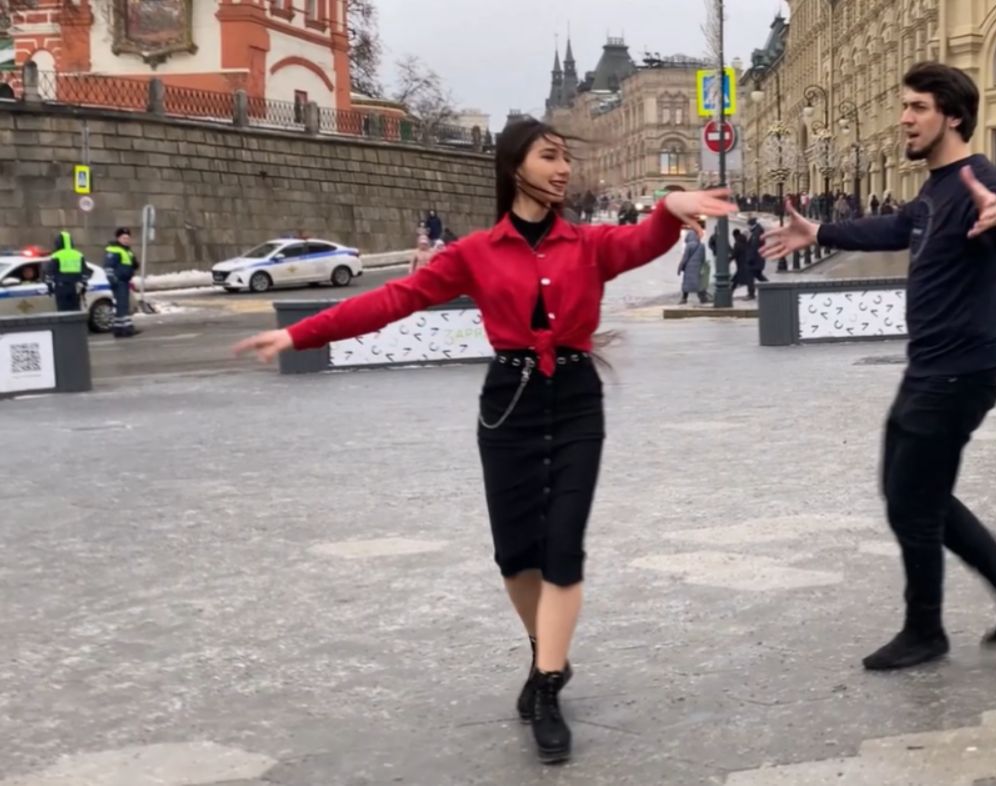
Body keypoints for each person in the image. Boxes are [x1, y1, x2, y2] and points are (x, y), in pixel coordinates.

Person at [232, 119, 734, 765]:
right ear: (513, 166)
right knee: (516, 556)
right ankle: (546, 650)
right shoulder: (473, 252)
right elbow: (395, 300)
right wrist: (299, 334)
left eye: (565, 157)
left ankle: (547, 687)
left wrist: (668, 208)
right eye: (549, 156)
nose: (563, 168)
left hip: (576, 401)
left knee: (563, 548)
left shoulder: (589, 244)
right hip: (508, 407)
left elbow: (644, 240)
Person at [760, 62, 996, 672]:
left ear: (953, 116)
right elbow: (896, 226)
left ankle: (927, 629)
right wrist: (821, 230)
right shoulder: (936, 189)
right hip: (931, 370)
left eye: (918, 107)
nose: (904, 119)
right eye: (905, 107)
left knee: (913, 501)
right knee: (908, 494)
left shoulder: (980, 182)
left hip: (957, 373)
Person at [104, 227, 141, 338]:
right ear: (118, 238)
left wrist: (134, 264)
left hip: (125, 281)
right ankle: (125, 329)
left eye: (127, 238)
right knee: (121, 305)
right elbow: (108, 267)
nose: (126, 240)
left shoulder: (127, 251)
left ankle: (120, 328)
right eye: (123, 238)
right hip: (118, 281)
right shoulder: (114, 250)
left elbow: (133, 264)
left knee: (123, 305)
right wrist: (113, 280)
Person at [45, 231, 91, 313]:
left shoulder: (56, 255)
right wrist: (84, 286)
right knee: (75, 311)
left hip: (61, 288)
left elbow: (49, 273)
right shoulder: (79, 255)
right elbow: (85, 273)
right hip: (75, 288)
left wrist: (50, 287)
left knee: (63, 312)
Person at [677, 229, 710, 304]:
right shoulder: (702, 245)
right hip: (698, 268)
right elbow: (703, 258)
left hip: (689, 269)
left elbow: (685, 258)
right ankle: (703, 298)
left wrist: (680, 268)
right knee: (700, 283)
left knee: (686, 284)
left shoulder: (689, 246)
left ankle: (684, 298)